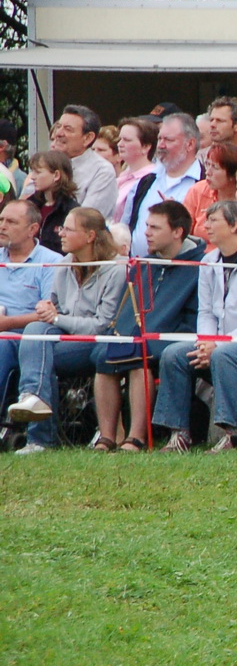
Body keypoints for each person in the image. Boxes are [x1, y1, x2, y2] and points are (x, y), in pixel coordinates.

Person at [152, 200, 237, 452]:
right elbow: (206, 311)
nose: (205, 226)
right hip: (217, 342)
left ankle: (232, 434)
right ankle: (179, 434)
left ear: (235, 225)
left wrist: (218, 344)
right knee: (173, 354)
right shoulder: (209, 260)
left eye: (213, 221)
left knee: (224, 354)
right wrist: (204, 343)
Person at [5, 208, 129, 454]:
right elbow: (55, 306)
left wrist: (59, 317)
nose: (60, 233)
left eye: (68, 229)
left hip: (97, 342)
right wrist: (46, 308)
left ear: (90, 235)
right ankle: (33, 400)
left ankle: (41, 437)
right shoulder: (63, 264)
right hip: (64, 338)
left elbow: (103, 324)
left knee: (40, 352)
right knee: (35, 328)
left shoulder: (116, 269)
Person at [92, 201, 204, 453]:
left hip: (174, 336)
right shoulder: (143, 265)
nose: (147, 233)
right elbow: (126, 309)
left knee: (137, 358)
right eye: (146, 226)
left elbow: (195, 317)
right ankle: (108, 436)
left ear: (177, 232)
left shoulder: (200, 267)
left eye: (155, 227)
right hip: (136, 336)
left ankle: (136, 436)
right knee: (104, 355)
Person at [0, 201, 62, 426]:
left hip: (25, 338)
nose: (2, 226)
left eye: (11, 222)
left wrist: (6, 324)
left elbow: (49, 314)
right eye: (1, 220)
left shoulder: (51, 262)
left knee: (2, 344)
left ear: (33, 229)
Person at [125, 114, 204, 256]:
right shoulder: (146, 181)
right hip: (140, 271)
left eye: (168, 140)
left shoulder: (204, 184)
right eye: (160, 138)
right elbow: (127, 226)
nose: (161, 145)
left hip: (182, 272)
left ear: (190, 144)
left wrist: (179, 216)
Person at [33, 106, 119, 218]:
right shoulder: (45, 164)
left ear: (88, 138)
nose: (58, 133)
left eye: (68, 129)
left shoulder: (102, 171)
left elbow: (87, 220)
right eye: (59, 126)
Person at [184, 141, 237, 240]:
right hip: (199, 253)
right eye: (207, 165)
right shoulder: (198, 190)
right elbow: (183, 233)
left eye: (214, 167)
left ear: (232, 175)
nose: (207, 172)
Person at [25, 151, 79, 253]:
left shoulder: (71, 211)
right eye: (32, 171)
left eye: (38, 172)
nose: (32, 177)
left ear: (56, 175)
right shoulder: (29, 205)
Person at [111, 119, 158, 222]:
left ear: (146, 147)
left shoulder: (152, 178)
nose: (120, 144)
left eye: (127, 140)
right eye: (120, 139)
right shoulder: (123, 175)